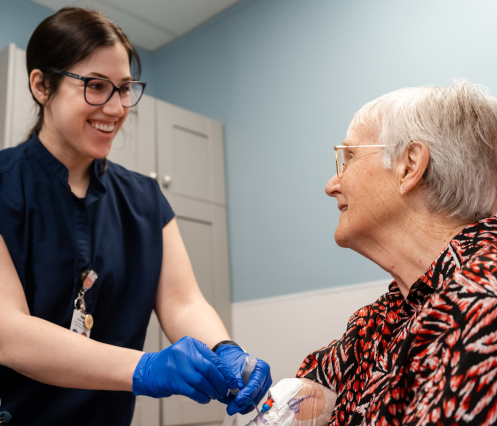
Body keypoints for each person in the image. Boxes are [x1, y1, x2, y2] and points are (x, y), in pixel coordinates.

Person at [0, 7, 271, 426]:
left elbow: (183, 301)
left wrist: (224, 349)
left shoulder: (145, 199)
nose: (115, 107)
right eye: (95, 86)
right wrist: (146, 368)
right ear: (41, 85)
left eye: (124, 89)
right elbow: (9, 333)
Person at [249, 79, 497, 426]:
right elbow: (302, 399)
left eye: (347, 158)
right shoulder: (385, 316)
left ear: (409, 166)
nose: (331, 185)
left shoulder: (482, 304)